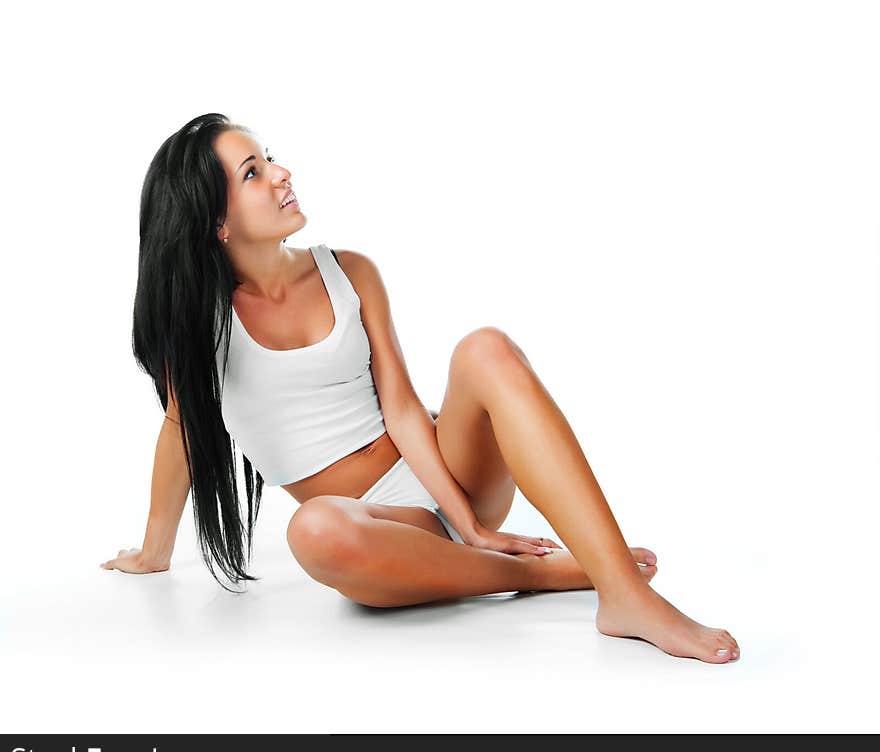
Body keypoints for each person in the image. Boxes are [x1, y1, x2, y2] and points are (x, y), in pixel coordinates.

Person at [101, 113, 740, 664]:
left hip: (447, 474)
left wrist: (470, 521)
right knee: (314, 530)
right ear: (217, 221)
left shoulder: (349, 272)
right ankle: (540, 576)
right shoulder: (202, 327)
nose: (280, 172)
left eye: (268, 158)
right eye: (252, 172)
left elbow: (404, 410)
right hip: (377, 528)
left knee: (484, 346)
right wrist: (156, 550)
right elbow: (181, 431)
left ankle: (622, 592)